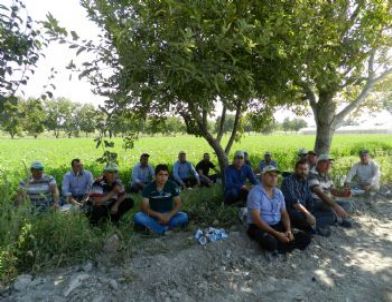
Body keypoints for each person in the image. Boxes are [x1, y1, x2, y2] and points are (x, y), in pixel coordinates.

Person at [246, 165, 311, 254]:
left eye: (275, 176)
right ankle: (282, 244)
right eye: (270, 175)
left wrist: (288, 230)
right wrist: (276, 233)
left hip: (276, 224)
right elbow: (256, 219)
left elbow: (284, 213)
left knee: (306, 238)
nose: (273, 178)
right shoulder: (255, 193)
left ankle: (282, 244)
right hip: (259, 226)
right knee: (270, 243)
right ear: (263, 176)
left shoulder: (278, 192)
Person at [134, 164, 188, 235]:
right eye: (160, 175)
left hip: (169, 215)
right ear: (155, 175)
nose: (163, 177)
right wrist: (159, 216)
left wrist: (169, 216)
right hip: (154, 216)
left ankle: (155, 227)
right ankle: (163, 230)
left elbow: (178, 204)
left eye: (166, 175)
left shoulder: (172, 185)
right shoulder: (148, 188)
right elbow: (144, 208)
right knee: (138, 216)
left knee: (184, 216)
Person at [281, 159, 331, 236]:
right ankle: (314, 228)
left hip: (305, 209)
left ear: (308, 170)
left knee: (329, 211)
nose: (303, 171)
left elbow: (309, 200)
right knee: (298, 216)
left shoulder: (305, 181)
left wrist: (310, 212)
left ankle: (312, 227)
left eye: (305, 169)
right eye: (300, 169)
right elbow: (294, 202)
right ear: (295, 169)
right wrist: (308, 214)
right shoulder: (287, 181)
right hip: (292, 210)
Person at [309, 154, 354, 228]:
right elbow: (320, 193)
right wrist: (335, 206)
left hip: (327, 200)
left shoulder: (326, 174)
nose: (328, 166)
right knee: (332, 208)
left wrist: (344, 194)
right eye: (326, 163)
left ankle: (333, 217)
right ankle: (337, 219)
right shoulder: (311, 174)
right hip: (316, 201)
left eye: (330, 163)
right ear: (319, 163)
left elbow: (333, 190)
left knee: (348, 204)